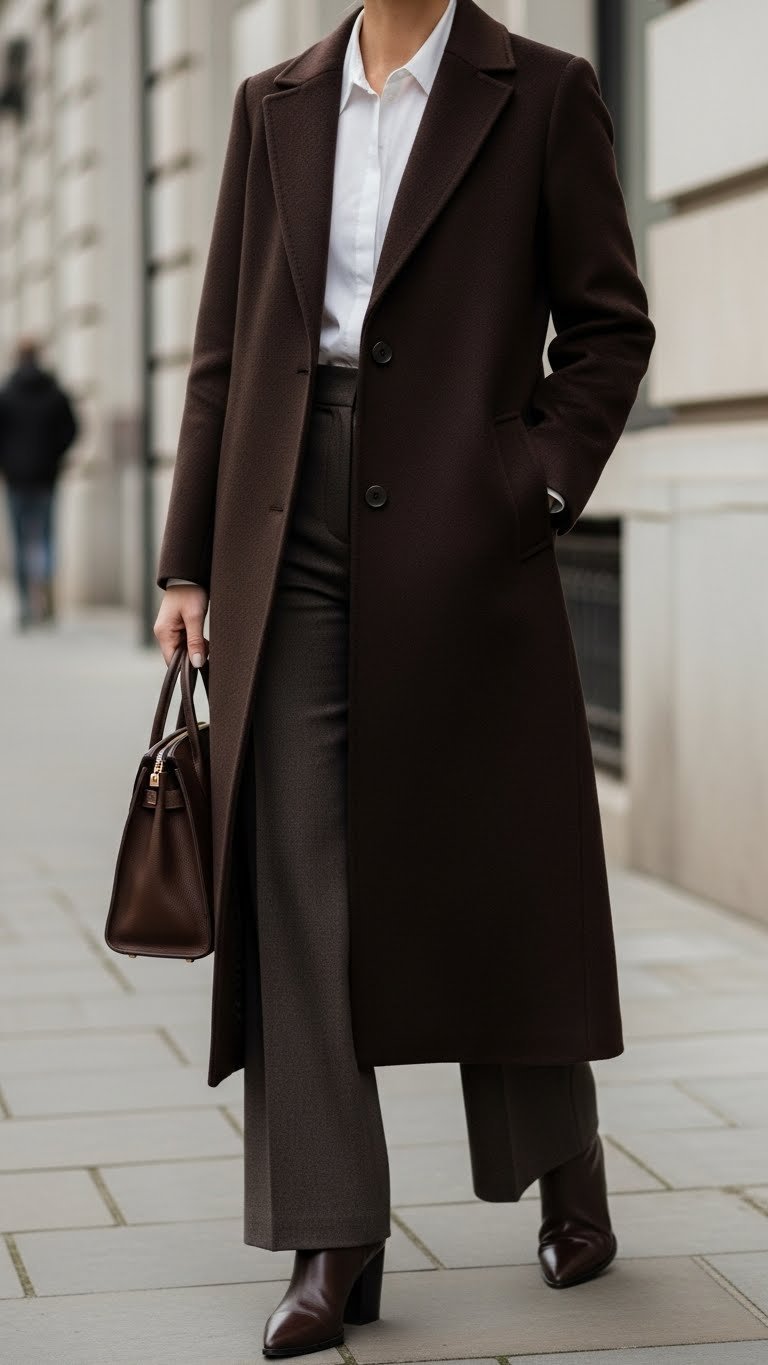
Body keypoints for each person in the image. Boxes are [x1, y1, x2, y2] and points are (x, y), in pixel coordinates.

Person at [153, 0, 656, 1356]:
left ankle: (565, 1166)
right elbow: (222, 353)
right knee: (297, 870)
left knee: (497, 861)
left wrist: (529, 487)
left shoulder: (543, 91)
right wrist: (187, 561)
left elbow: (608, 328)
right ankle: (335, 1233)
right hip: (282, 518)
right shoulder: (274, 103)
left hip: (462, 517)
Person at [0, 336, 78, 628]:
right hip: (46, 477)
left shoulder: (7, 393)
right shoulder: (54, 392)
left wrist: (7, 462)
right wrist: (55, 454)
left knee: (21, 542)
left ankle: (24, 605)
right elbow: (72, 429)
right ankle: (43, 598)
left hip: (17, 479)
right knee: (45, 540)